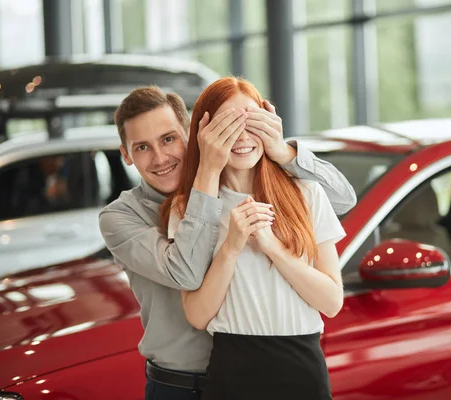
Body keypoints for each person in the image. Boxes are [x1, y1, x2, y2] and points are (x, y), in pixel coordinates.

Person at [98, 85, 356, 400]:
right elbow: (187, 274)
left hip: (276, 365)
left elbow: (342, 199)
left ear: (190, 137)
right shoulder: (127, 216)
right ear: (126, 155)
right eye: (142, 147)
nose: (160, 157)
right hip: (181, 382)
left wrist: (281, 150)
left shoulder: (294, 191)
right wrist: (208, 171)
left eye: (168, 139)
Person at [163, 77, 345, 400]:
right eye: (228, 124)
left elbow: (331, 302)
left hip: (302, 368)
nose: (243, 136)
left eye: (252, 121)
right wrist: (231, 247)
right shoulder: (190, 208)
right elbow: (197, 315)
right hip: (232, 370)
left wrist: (273, 247)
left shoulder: (306, 192)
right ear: (205, 132)